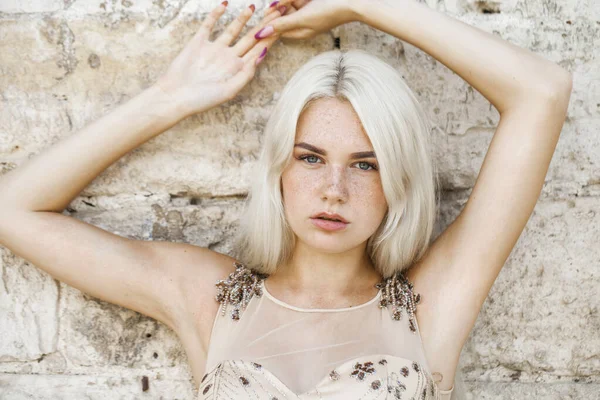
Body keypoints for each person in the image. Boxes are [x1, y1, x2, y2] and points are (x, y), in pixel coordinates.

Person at [0, 0, 572, 399]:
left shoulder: (431, 306)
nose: (333, 189)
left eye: (366, 165)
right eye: (311, 157)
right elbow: (12, 210)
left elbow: (541, 92)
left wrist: (366, 4)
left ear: (399, 180)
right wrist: (169, 98)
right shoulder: (211, 299)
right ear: (279, 167)